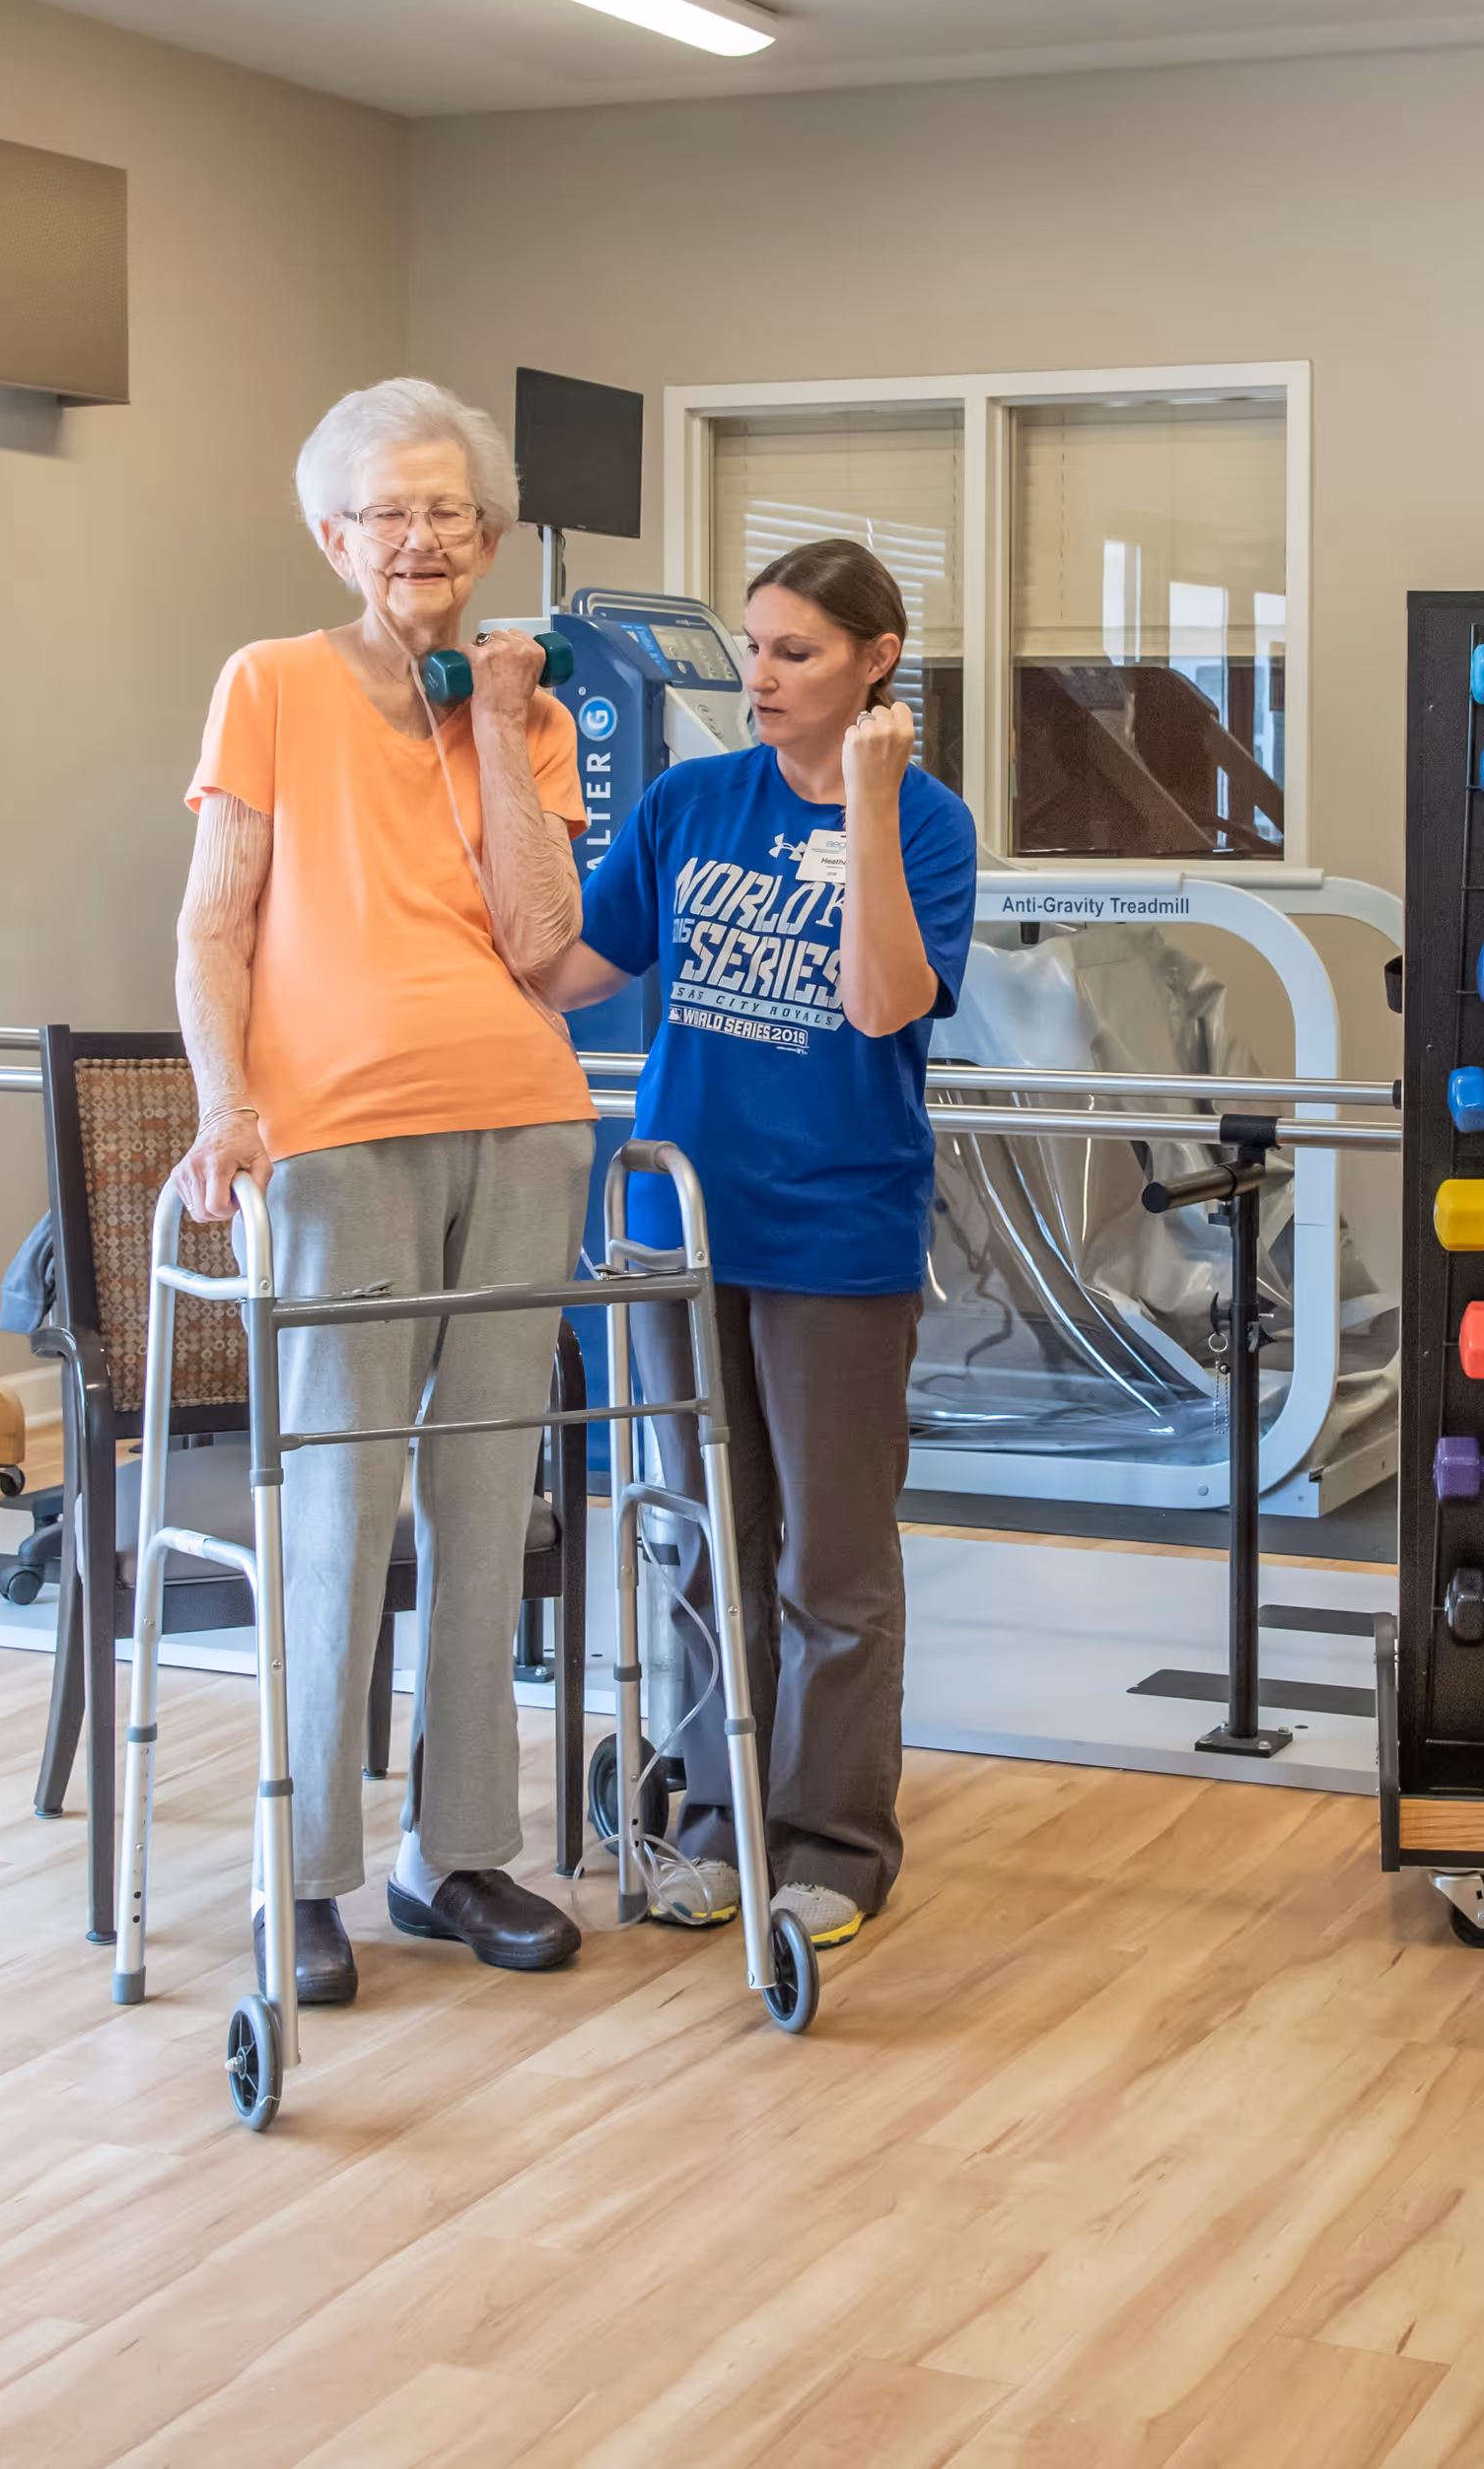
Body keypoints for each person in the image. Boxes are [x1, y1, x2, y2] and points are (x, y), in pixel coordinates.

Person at [170, 377, 595, 2003]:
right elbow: (216, 922)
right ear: (332, 533)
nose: (422, 538)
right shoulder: (269, 682)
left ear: (489, 537)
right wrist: (226, 1105)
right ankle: (307, 1870)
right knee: (343, 1505)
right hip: (337, 1134)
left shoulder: (527, 712)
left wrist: (489, 716)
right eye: (390, 512)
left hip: (523, 1114)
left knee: (489, 1496)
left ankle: (456, 1853)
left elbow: (543, 935)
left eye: (450, 512)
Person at [540, 538, 977, 1948]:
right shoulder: (686, 803)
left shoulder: (925, 822)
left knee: (830, 1564)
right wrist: (490, 751)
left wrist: (863, 802)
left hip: (835, 1229)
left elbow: (878, 1004)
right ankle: (724, 1819)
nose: (760, 676)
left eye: (795, 651)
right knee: (706, 1539)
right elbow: (562, 968)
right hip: (680, 1223)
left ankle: (838, 1841)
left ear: (875, 661)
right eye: (753, 646)